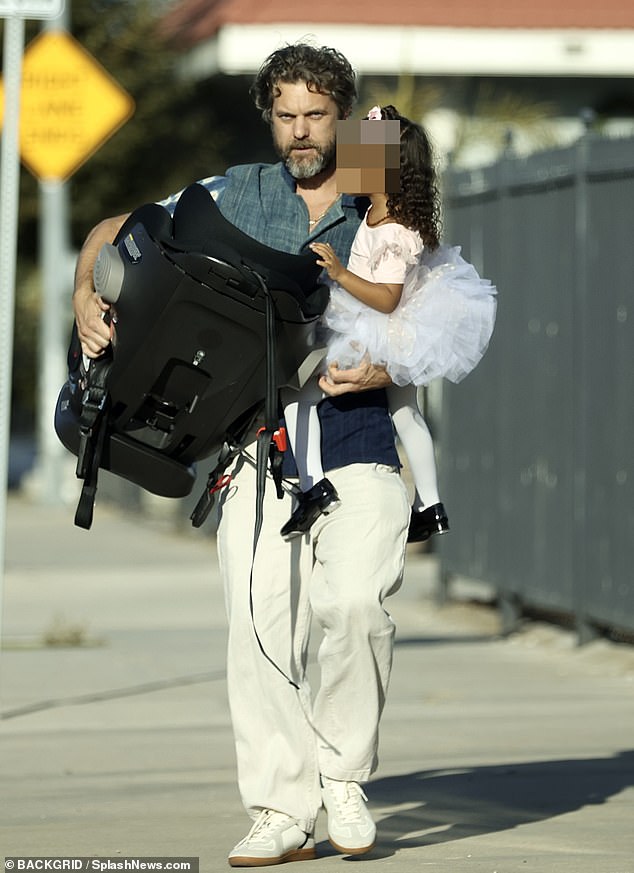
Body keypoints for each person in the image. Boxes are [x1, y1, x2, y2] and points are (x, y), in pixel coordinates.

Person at [72, 44, 411, 867]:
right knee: (260, 622)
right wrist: (86, 295)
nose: (302, 133)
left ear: (344, 114)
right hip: (252, 435)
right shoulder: (235, 188)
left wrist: (390, 362)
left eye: (317, 116)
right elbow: (111, 230)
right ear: (271, 117)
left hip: (361, 426)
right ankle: (279, 807)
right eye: (287, 115)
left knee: (357, 605)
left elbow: (437, 310)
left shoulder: (385, 191)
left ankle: (343, 775)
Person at [280, 105, 497, 543]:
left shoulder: (394, 229)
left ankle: (313, 485)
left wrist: (341, 274)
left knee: (297, 395)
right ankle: (431, 504)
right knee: (405, 410)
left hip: (373, 327)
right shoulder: (379, 214)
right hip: (392, 329)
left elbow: (388, 298)